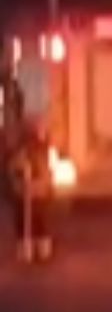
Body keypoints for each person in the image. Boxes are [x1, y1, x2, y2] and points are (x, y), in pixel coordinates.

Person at [2, 75, 53, 263]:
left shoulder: (29, 128)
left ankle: (37, 244)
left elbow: (40, 145)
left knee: (34, 210)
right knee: (25, 210)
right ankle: (30, 245)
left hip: (33, 175)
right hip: (25, 175)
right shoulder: (16, 127)